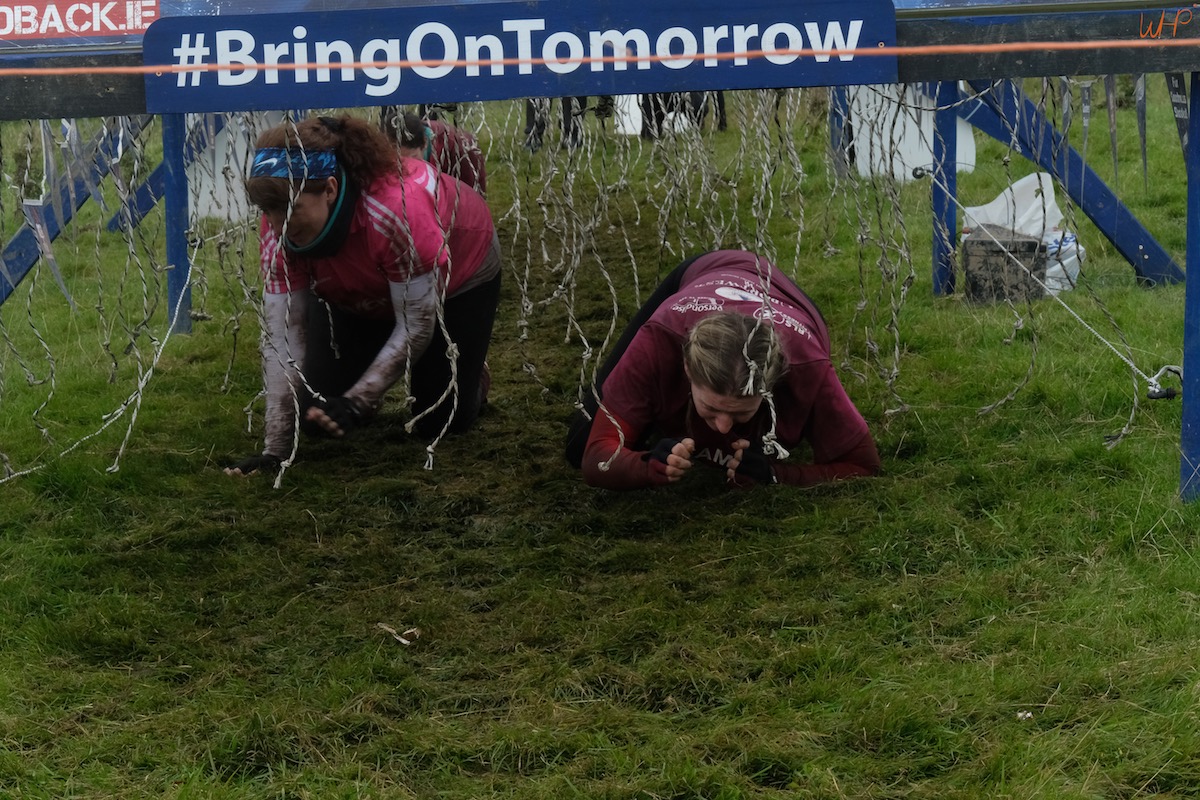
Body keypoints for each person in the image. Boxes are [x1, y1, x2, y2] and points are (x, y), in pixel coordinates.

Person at [226, 115, 501, 476]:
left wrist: (357, 401)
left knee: (440, 421)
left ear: (329, 189)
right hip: (358, 292)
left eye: (288, 210)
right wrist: (275, 450)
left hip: (459, 278)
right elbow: (284, 335)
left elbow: (417, 323)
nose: (277, 225)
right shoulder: (280, 220)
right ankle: (373, 363)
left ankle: (469, 373)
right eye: (268, 211)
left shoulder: (397, 209)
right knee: (316, 416)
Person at [564, 249, 880, 490]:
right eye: (712, 408)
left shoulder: (808, 366)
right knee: (579, 443)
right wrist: (648, 464)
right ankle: (661, 419)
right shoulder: (659, 341)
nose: (724, 427)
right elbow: (596, 458)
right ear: (685, 368)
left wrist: (775, 475)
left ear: (771, 388)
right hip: (705, 272)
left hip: (781, 293)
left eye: (742, 413)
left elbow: (863, 465)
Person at [379, 106, 487, 195]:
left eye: (413, 158)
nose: (407, 165)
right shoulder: (381, 149)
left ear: (425, 143)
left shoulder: (461, 149)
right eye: (399, 160)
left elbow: (474, 194)